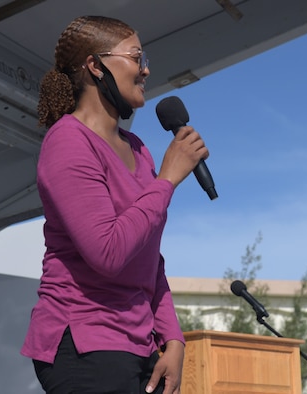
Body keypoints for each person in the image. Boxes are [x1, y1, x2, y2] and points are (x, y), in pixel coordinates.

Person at [21, 15, 208, 394]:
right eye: (137, 57)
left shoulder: (139, 151)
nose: (146, 69)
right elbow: (107, 252)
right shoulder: (68, 142)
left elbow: (148, 259)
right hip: (85, 343)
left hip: (140, 346)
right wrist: (168, 180)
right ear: (95, 65)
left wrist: (173, 338)